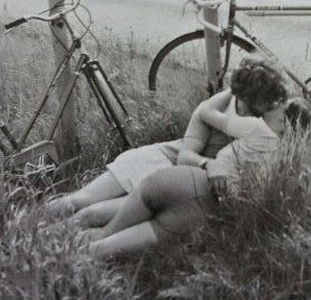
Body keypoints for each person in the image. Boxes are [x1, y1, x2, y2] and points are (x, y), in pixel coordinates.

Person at [48, 56, 290, 230]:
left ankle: (45, 243)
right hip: (163, 160)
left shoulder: (271, 116)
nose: (257, 114)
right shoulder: (212, 109)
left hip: (176, 184)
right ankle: (24, 228)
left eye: (267, 105)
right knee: (79, 201)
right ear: (241, 95)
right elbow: (185, 156)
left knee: (93, 215)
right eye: (253, 104)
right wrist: (212, 165)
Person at [82, 93, 308, 259]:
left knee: (95, 221)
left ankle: (48, 235)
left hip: (174, 178)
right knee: (101, 249)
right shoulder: (284, 162)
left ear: (283, 121)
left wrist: (235, 88)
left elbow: (208, 116)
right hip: (197, 205)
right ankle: (55, 256)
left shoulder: (255, 129)